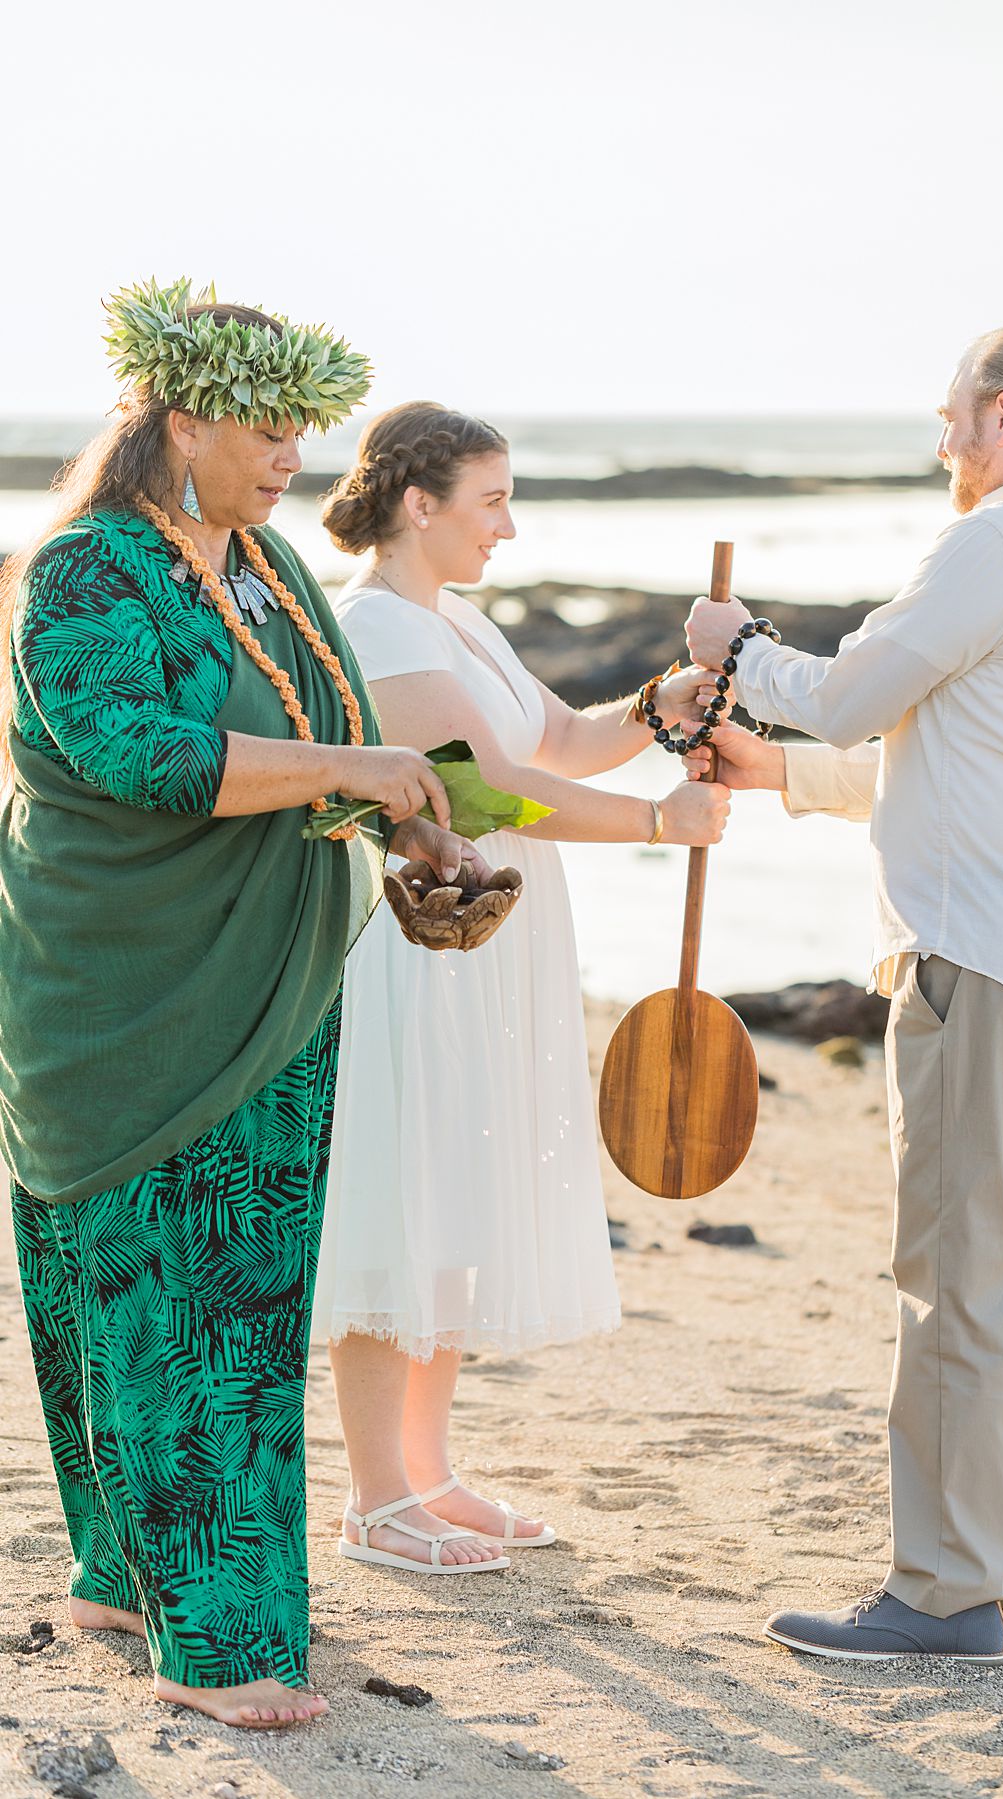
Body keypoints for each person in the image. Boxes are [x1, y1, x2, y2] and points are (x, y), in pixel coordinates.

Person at [0, 281, 481, 1727]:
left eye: (301, 434)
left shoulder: (265, 561)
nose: (293, 461)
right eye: (267, 433)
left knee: (240, 1298)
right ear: (183, 417)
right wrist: (349, 775)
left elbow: (333, 729)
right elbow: (142, 753)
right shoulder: (84, 568)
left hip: (264, 978)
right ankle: (215, 1648)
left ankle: (117, 1573)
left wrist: (415, 822)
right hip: (120, 981)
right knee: (152, 1300)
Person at [681, 323, 1003, 1665]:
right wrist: (772, 775)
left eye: (950, 415)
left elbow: (848, 700)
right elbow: (964, 748)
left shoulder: (995, 540)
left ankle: (944, 1589)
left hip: (987, 962)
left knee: (956, 1280)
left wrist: (739, 643)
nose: (940, 439)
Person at [311, 402, 729, 1573]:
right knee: (402, 1193)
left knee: (453, 1191)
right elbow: (491, 792)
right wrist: (660, 820)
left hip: (489, 949)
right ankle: (374, 1497)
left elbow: (554, 736)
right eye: (491, 499)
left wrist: (656, 710)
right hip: (418, 949)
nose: (509, 524)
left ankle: (430, 1471)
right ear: (417, 504)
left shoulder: (463, 621)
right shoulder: (380, 627)